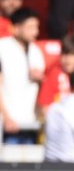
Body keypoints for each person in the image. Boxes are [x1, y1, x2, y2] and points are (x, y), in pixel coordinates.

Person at [0, 7, 44, 143]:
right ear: (16, 28)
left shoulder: (36, 51)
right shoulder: (2, 48)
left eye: (36, 27)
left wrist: (41, 79)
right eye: (30, 27)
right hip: (6, 124)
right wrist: (5, 117)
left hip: (30, 123)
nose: (35, 32)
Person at [35, 34, 74, 118]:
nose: (68, 60)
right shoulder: (54, 74)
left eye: (72, 54)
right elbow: (44, 107)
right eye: (65, 54)